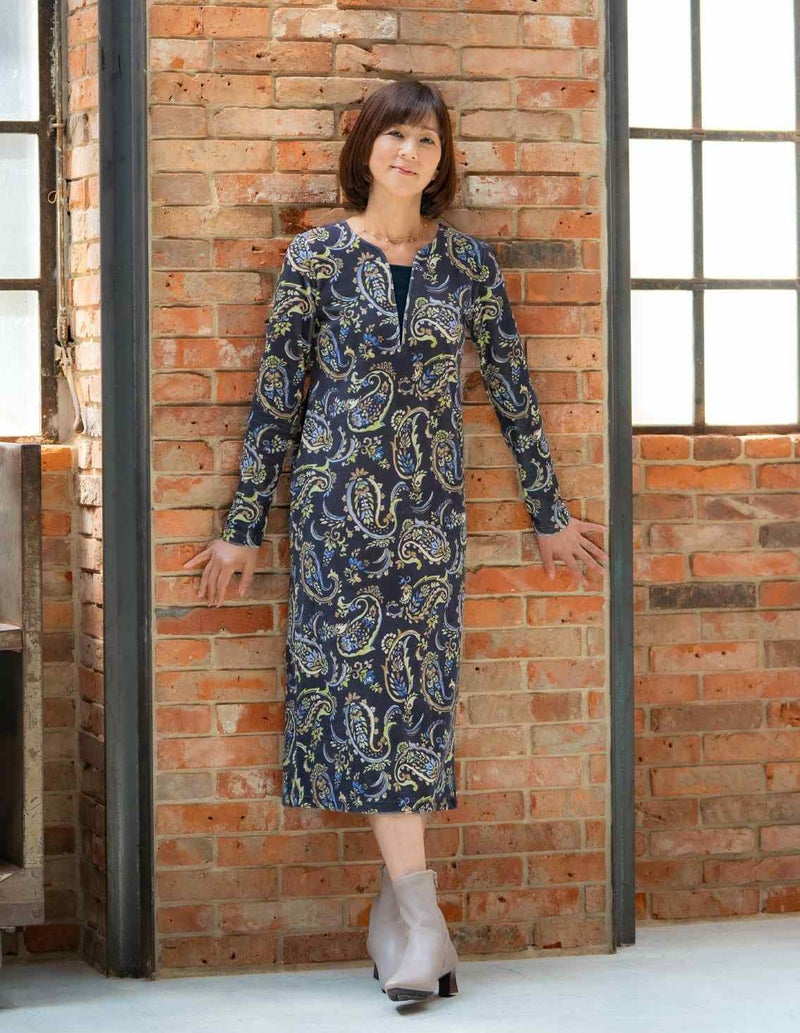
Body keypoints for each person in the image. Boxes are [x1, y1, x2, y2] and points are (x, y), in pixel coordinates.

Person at [182, 79, 608, 1004]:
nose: (409, 153)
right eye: (395, 137)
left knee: (412, 709)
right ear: (366, 149)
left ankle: (402, 920)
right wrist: (243, 526)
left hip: (430, 522)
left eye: (426, 140)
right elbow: (277, 396)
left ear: (442, 159)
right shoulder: (316, 258)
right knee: (361, 702)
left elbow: (513, 388)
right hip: (335, 517)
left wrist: (549, 511)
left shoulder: (468, 265)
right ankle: (421, 921)